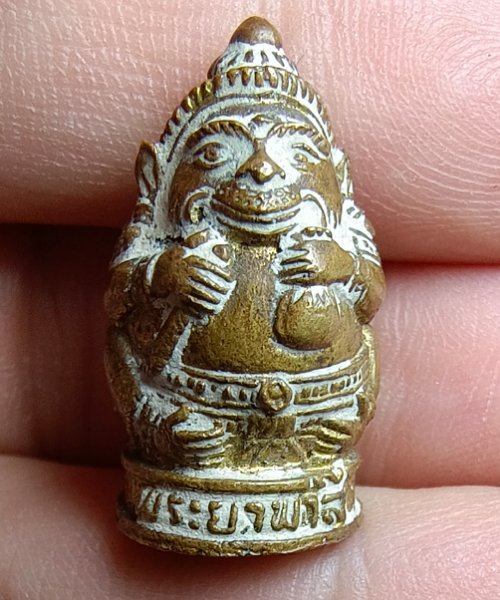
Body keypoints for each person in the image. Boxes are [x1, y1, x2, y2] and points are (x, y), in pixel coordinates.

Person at [0, 1, 499, 597]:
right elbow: (120, 304)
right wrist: (163, 274)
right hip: (190, 413)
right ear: (158, 176)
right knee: (124, 347)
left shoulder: (338, 234)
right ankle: (165, 431)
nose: (262, 170)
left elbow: (367, 299)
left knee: (361, 344)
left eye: (296, 155)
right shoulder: (160, 237)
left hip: (315, 417)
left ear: (336, 176)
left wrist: (342, 265)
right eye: (217, 154)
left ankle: (322, 443)